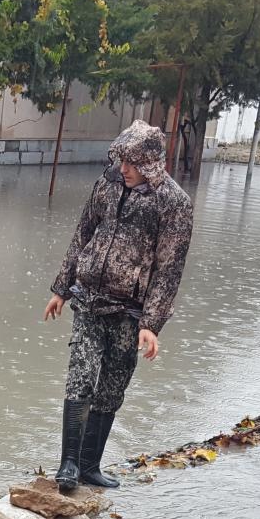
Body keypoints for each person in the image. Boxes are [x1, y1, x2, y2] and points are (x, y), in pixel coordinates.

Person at [42, 119, 194, 494]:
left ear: (151, 164)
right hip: (90, 300)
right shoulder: (107, 184)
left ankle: (91, 466)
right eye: (120, 160)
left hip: (130, 312)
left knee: (112, 387)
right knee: (81, 374)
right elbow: (83, 233)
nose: (123, 169)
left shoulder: (174, 204)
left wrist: (151, 323)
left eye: (132, 163)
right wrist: (62, 289)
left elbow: (168, 269)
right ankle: (69, 464)